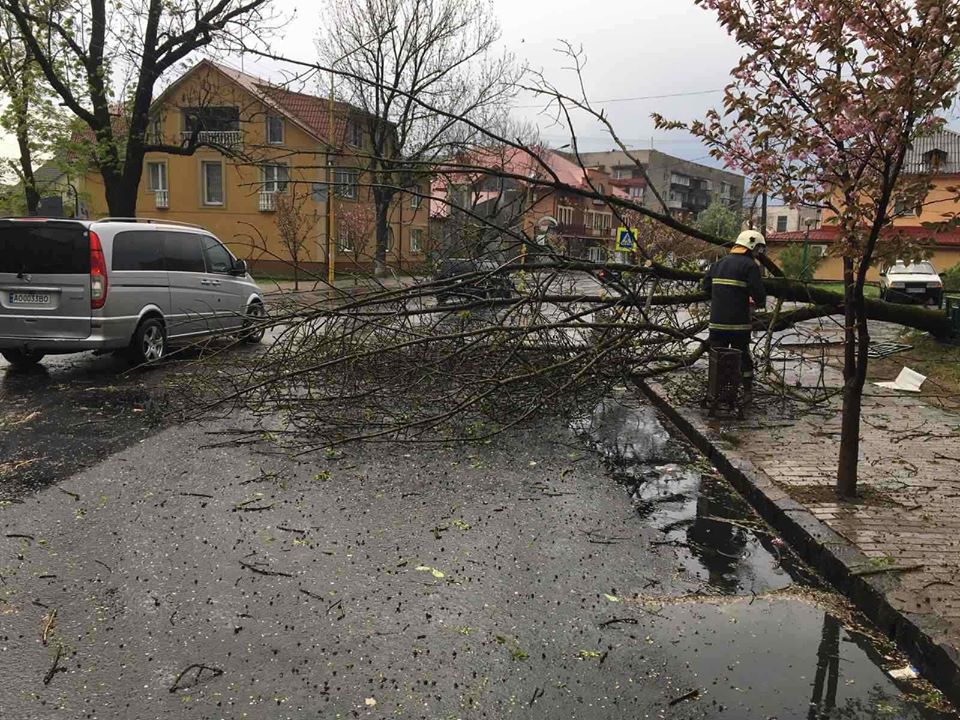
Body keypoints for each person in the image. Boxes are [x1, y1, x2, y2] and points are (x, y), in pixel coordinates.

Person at [702, 230, 767, 402]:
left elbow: (706, 287)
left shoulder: (718, 264)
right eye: (758, 249)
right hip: (739, 325)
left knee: (717, 359)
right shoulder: (750, 266)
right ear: (751, 245)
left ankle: (717, 392)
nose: (758, 253)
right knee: (743, 356)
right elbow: (759, 294)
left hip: (716, 324)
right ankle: (746, 392)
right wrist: (759, 303)